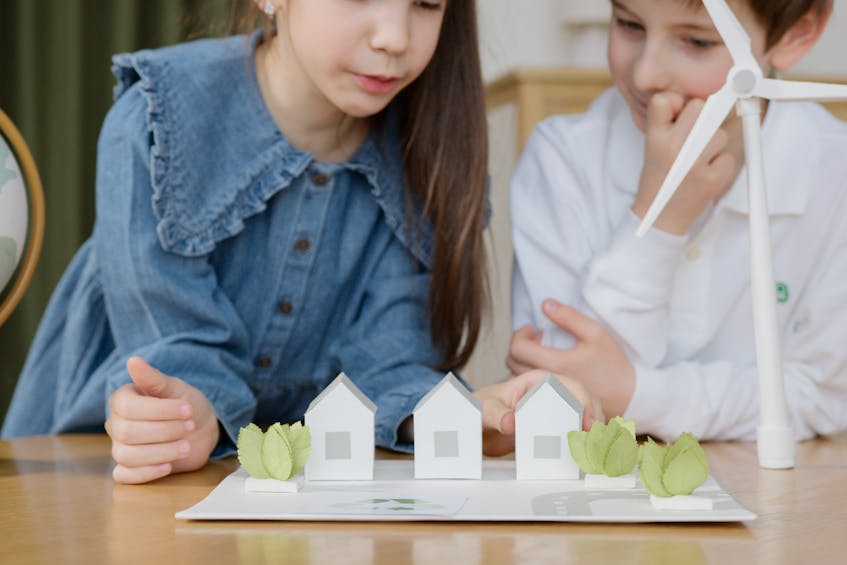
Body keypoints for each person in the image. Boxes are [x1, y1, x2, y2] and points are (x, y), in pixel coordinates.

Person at [2, 0, 599, 484]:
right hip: (110, 465)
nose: (395, 36)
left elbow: (391, 364)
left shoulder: (429, 153)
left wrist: (471, 417)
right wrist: (185, 413)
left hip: (309, 489)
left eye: (426, 4)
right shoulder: (156, 119)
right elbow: (170, 344)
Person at [508, 0, 847, 443]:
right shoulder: (562, 156)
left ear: (798, 32)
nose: (645, 75)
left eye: (696, 41)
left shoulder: (834, 170)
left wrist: (636, 394)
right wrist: (660, 213)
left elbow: (821, 396)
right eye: (629, 24)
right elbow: (559, 391)